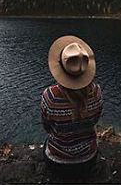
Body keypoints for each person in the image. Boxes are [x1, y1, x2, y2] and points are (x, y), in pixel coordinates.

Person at [41, 35, 104, 182]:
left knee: (47, 143)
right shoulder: (96, 92)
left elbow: (47, 127)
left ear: (61, 68)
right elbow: (95, 120)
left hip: (58, 163)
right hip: (88, 160)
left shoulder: (50, 96)